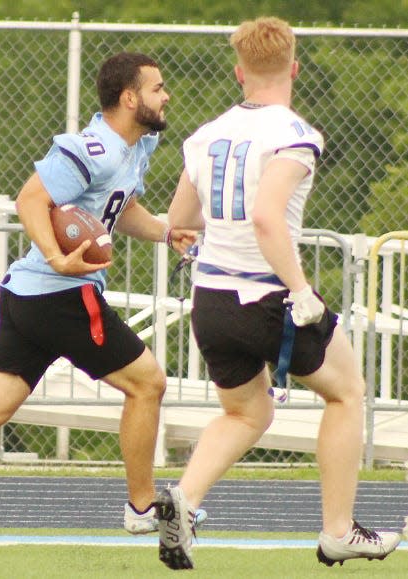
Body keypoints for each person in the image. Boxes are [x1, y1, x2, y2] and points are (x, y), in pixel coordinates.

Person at [155, 17, 401, 569]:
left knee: (246, 413)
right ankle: (338, 530)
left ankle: (185, 500)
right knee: (348, 393)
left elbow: (179, 221)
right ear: (293, 67)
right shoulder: (294, 134)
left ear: (239, 72)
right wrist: (301, 288)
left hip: (211, 300)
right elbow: (268, 216)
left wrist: (198, 239)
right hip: (268, 297)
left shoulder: (205, 135)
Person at [0, 52, 197, 535]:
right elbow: (31, 199)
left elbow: (116, 208)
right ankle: (142, 507)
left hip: (33, 296)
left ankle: (141, 507)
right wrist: (55, 256)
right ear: (130, 98)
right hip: (60, 293)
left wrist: (166, 232)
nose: (166, 95)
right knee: (146, 383)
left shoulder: (134, 147)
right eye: (157, 88)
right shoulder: (94, 147)